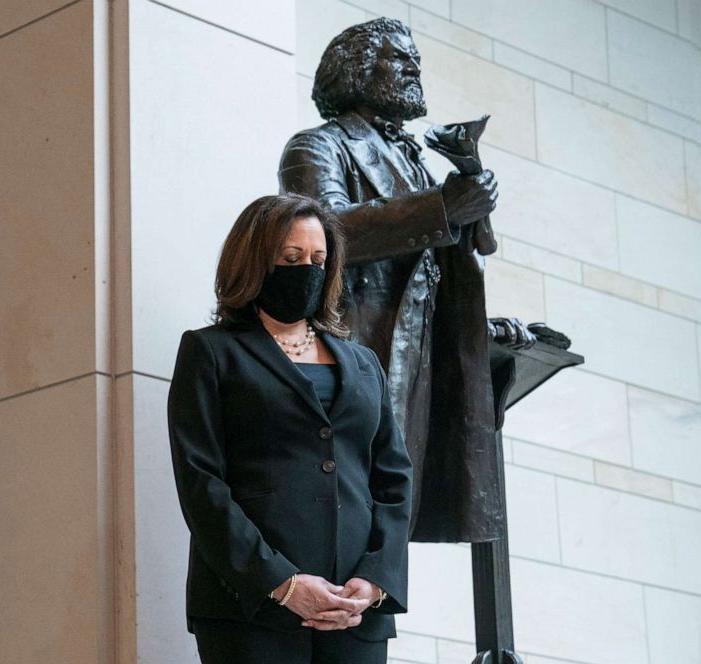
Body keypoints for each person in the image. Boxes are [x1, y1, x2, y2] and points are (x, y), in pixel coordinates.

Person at [278, 17, 530, 543]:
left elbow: (428, 273)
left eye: (414, 57)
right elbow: (328, 232)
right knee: (352, 521)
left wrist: (480, 324)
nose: (414, 67)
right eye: (399, 57)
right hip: (358, 354)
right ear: (356, 70)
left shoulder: (413, 159)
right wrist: (441, 207)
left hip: (418, 365)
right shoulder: (318, 147)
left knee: (393, 522)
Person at [167, 193, 413, 664]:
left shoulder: (363, 363)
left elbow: (393, 479)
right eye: (291, 258)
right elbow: (201, 482)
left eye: (318, 260)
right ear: (256, 261)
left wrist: (377, 578)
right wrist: (279, 582)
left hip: (355, 612)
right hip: (250, 608)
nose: (307, 270)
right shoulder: (211, 352)